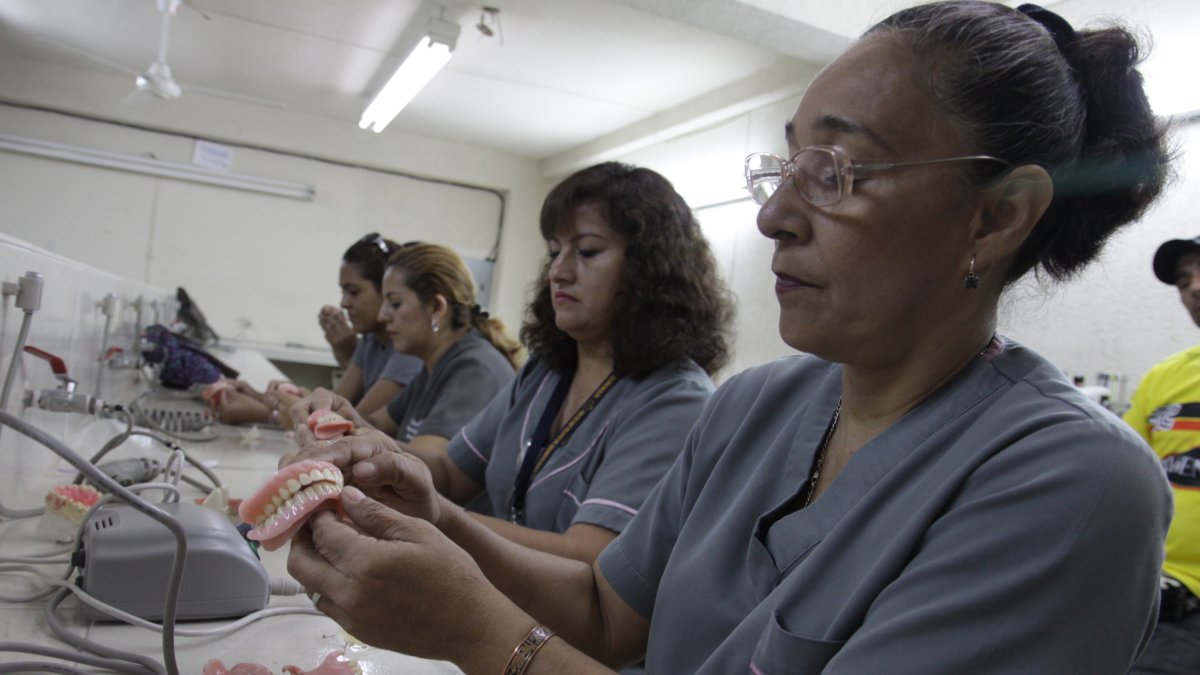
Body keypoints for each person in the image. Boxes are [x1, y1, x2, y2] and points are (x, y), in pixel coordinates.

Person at [286, 2, 1173, 673]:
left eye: (834, 169)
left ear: (996, 214)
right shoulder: (760, 404)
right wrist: (435, 517)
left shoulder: (1074, 486)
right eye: (786, 166)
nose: (778, 215)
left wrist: (478, 630)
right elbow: (605, 606)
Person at [289, 162, 733, 564]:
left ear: (651, 269)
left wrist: (439, 517)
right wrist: (359, 437)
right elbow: (448, 473)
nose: (559, 271)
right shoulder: (548, 372)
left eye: (588, 251)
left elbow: (588, 556)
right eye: (555, 251)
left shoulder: (675, 400)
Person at [298, 241, 522, 456]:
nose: (382, 316)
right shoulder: (435, 366)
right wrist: (335, 414)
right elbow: (376, 423)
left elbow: (429, 468)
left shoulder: (475, 370)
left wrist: (345, 438)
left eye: (394, 303)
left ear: (436, 307)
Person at [212, 233, 422, 427]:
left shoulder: (408, 351)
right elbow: (333, 404)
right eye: (343, 292)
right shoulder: (371, 339)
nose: (344, 303)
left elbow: (345, 424)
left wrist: (267, 413)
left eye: (353, 291)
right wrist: (258, 396)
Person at [1125, 235, 1200, 674]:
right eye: (1183, 279)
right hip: (1167, 614)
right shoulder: (1163, 380)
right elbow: (1123, 482)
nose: (1193, 287)